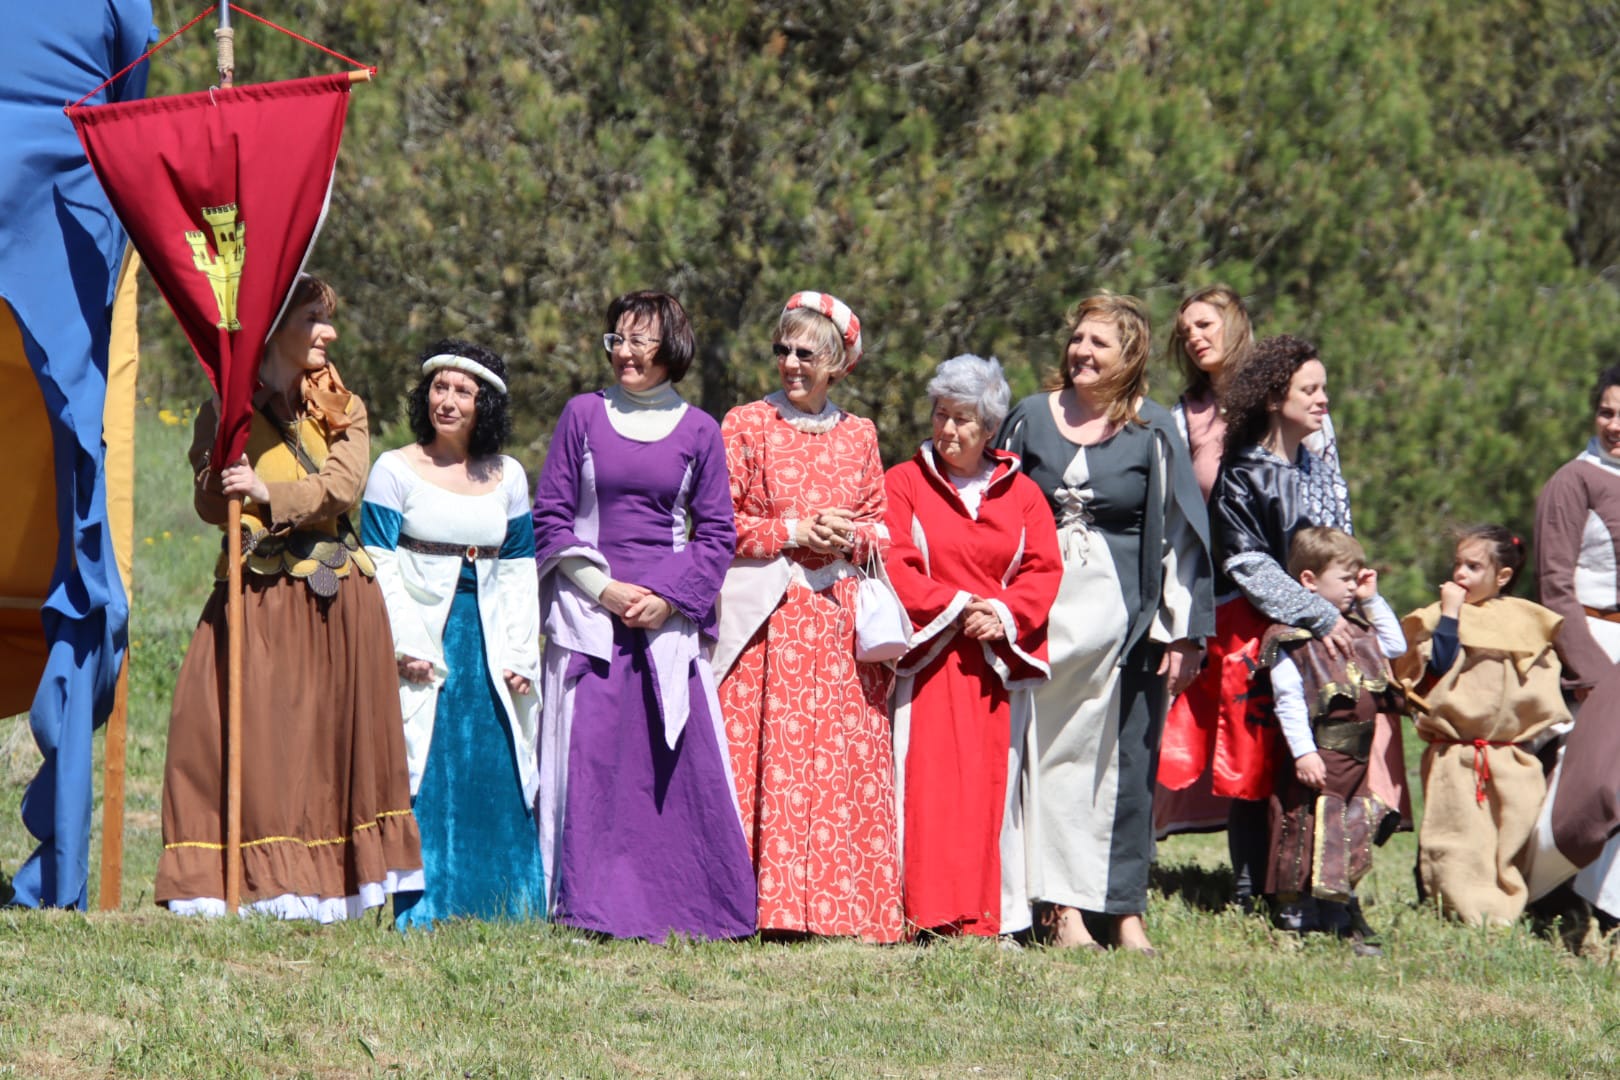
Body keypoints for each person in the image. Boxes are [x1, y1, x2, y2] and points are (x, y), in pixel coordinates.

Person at [155, 274, 423, 919]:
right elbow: (206, 504)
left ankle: (329, 891)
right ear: (275, 328)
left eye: (328, 320)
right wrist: (223, 469)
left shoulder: (345, 407)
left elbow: (343, 488)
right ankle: (235, 885)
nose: (329, 332)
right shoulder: (226, 405)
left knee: (324, 750)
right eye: (314, 319)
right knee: (231, 736)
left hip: (334, 598)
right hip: (254, 596)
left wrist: (270, 492)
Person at [531, 291, 755, 941]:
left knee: (673, 763)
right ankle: (591, 905)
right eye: (616, 340)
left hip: (666, 618)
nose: (625, 353)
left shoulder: (699, 431)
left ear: (672, 347)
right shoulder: (582, 415)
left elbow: (716, 535)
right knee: (594, 760)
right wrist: (603, 590)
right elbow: (552, 516)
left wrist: (664, 599)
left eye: (640, 340)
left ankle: (691, 905)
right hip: (594, 617)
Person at [995, 293, 1213, 952]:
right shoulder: (1031, 418)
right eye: (1078, 340)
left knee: (1122, 769)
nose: (1083, 353)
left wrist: (1183, 628)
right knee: (1037, 762)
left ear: (1131, 358)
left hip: (1121, 629)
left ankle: (1120, 908)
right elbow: (993, 506)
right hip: (1035, 623)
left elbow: (1178, 532)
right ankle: (1054, 909)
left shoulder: (1153, 431)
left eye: (1100, 344)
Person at [1158, 335, 1404, 915]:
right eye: (1310, 390)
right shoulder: (1243, 471)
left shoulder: (1322, 468)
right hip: (1257, 630)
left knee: (1328, 756)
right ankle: (1252, 888)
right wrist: (1314, 612)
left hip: (1332, 636)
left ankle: (1318, 885)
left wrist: (1353, 608)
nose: (1323, 400)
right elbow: (1245, 560)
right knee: (1255, 761)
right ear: (1275, 398)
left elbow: (1340, 548)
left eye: (1323, 389)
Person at [715, 290, 904, 942]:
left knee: (835, 769)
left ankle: (840, 911)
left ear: (838, 364)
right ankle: (757, 910)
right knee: (767, 762)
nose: (792, 363)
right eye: (783, 350)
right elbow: (716, 526)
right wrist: (796, 527)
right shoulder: (744, 424)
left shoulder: (861, 435)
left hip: (838, 623)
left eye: (807, 353)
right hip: (770, 616)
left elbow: (881, 528)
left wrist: (849, 535)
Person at [361, 340, 545, 929]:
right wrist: (404, 645)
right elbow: (378, 561)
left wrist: (521, 653)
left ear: (484, 403)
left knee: (500, 769)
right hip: (423, 645)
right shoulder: (394, 469)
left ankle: (509, 905)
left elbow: (518, 571)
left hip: (491, 643)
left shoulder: (509, 476)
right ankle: (425, 907)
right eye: (439, 387)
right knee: (427, 768)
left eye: (462, 391)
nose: (447, 400)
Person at [1156, 287, 1349, 839]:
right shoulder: (1183, 416)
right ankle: (1251, 872)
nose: (1194, 337)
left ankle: (1305, 866)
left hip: (1305, 588)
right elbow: (1181, 521)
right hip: (1230, 595)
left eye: (1206, 324)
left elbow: (1331, 499)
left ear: (1236, 325)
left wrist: (1336, 594)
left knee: (1305, 734)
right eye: (1186, 330)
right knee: (1242, 734)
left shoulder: (1296, 398)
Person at [882, 354, 1062, 940]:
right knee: (924, 788)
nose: (948, 430)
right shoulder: (903, 483)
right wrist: (960, 608)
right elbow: (894, 562)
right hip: (930, 660)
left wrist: (1004, 613)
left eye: (963, 419)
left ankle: (992, 917)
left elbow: (1042, 569)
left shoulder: (1024, 494)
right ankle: (919, 912)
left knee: (992, 791)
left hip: (993, 668)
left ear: (990, 428)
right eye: (940, 415)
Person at [1396, 527, 1568, 926]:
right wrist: (1451, 614)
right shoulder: (1440, 616)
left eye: (1473, 566)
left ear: (1502, 577)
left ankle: (1508, 905)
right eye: (1457, 564)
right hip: (1457, 753)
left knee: (1508, 837)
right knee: (1457, 836)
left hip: (1510, 755)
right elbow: (1437, 668)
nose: (1460, 574)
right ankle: (1458, 907)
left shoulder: (1526, 620)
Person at [1259, 528, 1405, 952]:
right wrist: (1304, 753)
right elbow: (1288, 702)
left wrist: (1371, 598)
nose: (1352, 587)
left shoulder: (1357, 629)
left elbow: (1394, 645)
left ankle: (1338, 910)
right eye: (1346, 579)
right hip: (1319, 757)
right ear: (1309, 581)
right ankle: (1297, 912)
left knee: (1349, 830)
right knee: (1302, 831)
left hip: (1354, 760)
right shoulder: (1291, 639)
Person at [1531, 366, 1620, 927]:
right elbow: (1554, 587)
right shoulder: (1574, 481)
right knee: (1594, 784)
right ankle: (1558, 897)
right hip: (1594, 650)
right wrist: (1591, 672)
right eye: (1607, 411)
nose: (1615, 424)